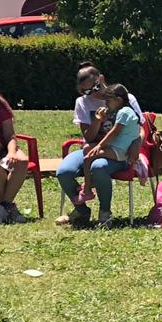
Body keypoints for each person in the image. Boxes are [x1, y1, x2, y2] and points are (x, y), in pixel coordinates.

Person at [55, 66, 144, 225]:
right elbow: (88, 137)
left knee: (99, 166)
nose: (92, 93)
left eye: (94, 87)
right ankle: (82, 211)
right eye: (86, 91)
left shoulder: (124, 97)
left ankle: (105, 213)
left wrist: (137, 144)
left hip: (118, 150)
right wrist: (97, 121)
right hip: (92, 147)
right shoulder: (82, 102)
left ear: (101, 79)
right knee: (64, 172)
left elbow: (141, 127)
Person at [0, 91, 30, 223]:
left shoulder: (1, 108)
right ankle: (6, 208)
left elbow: (10, 136)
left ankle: (5, 206)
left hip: (4, 147)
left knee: (22, 161)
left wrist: (11, 153)